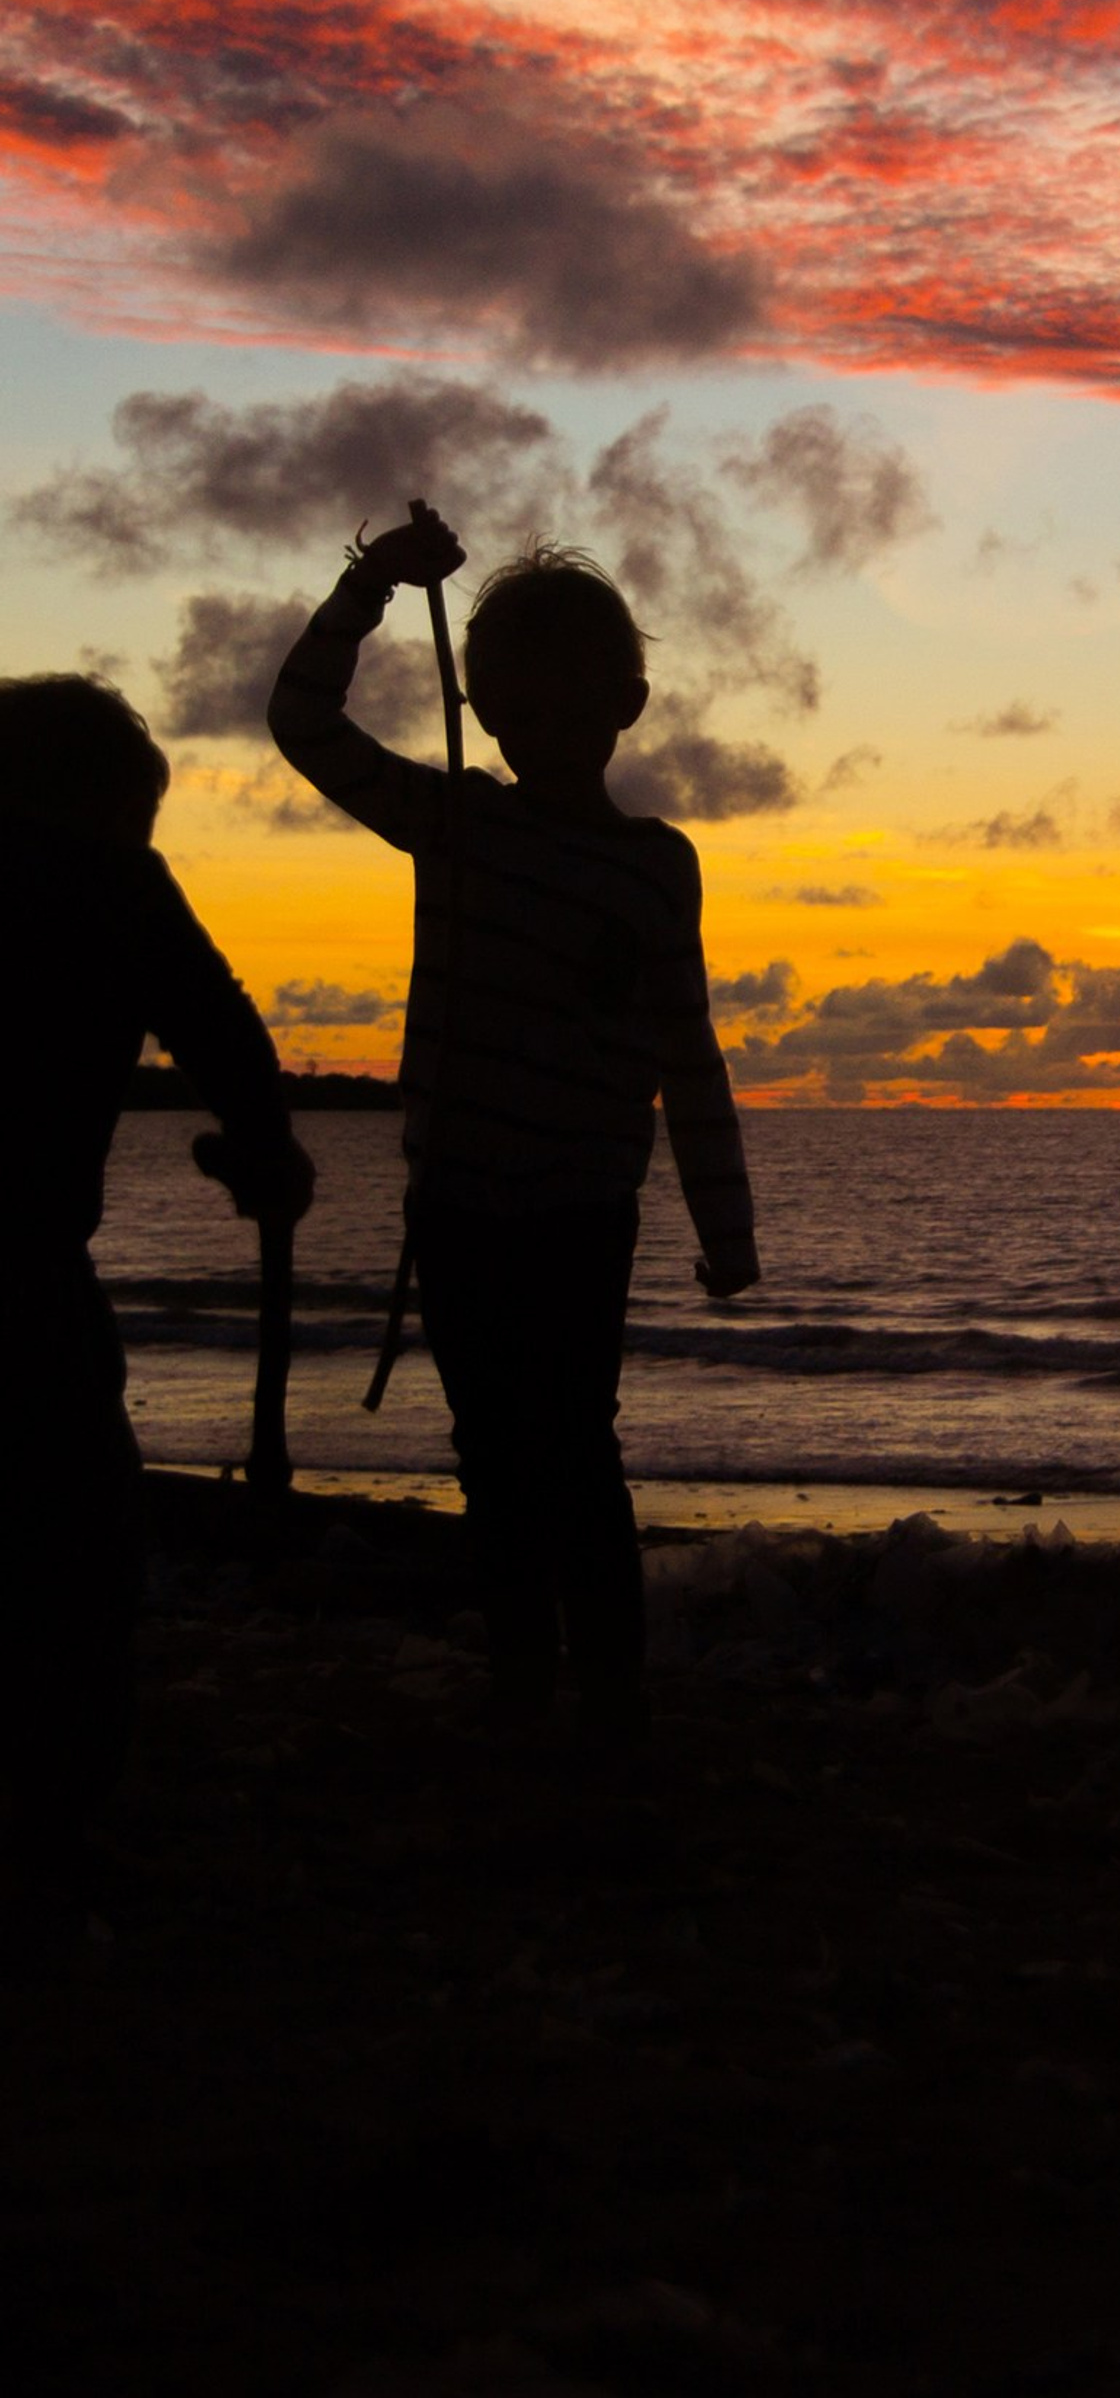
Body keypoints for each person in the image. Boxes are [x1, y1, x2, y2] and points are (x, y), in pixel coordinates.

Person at [270, 520, 760, 1737]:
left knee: (574, 1451)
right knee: (494, 1450)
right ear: (481, 710)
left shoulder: (658, 868)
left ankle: (602, 1692)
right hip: (461, 1201)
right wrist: (370, 580)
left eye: (558, 711)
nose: (529, 738)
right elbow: (303, 722)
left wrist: (725, 1220)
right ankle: (526, 1685)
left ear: (627, 706)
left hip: (582, 1210)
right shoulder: (460, 823)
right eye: (509, 714)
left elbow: (685, 1053)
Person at [0, 673, 311, 1929]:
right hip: (22, 1270)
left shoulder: (96, 874)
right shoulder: (110, 880)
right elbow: (220, 1026)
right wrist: (266, 1153)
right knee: (77, 1547)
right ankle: (52, 1831)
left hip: (28, 1262)